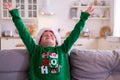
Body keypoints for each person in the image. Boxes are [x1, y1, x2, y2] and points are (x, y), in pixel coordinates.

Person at [3, 2, 94, 80]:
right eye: (45, 35)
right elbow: (23, 32)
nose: (48, 35)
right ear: (39, 42)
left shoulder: (62, 49)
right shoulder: (35, 50)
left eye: (51, 35)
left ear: (56, 42)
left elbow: (75, 34)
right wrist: (14, 13)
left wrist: (84, 18)